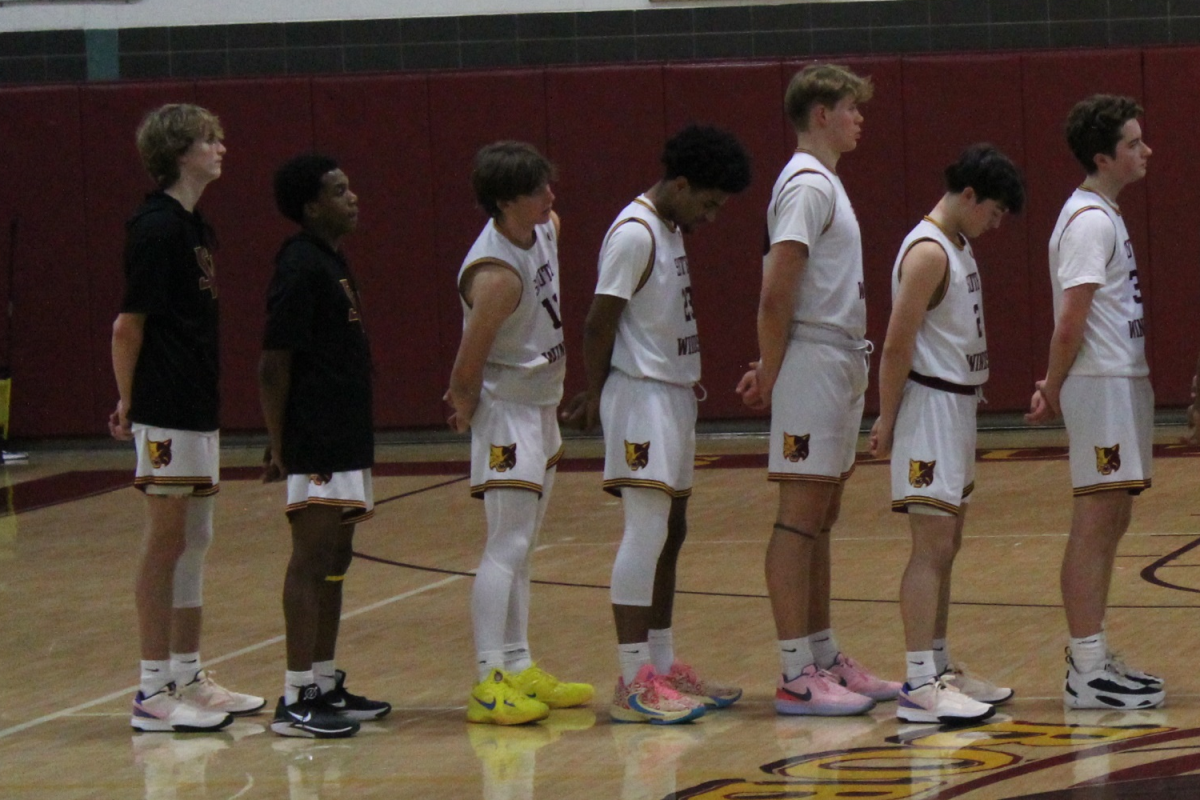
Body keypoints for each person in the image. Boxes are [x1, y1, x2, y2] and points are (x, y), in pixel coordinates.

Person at [562, 125, 752, 724]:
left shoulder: (668, 227)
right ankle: (631, 681)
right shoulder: (635, 232)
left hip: (671, 394)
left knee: (673, 530)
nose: (713, 216)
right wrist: (595, 395)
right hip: (639, 395)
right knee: (645, 531)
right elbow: (598, 322)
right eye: (709, 202)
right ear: (680, 183)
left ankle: (663, 667)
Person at [735, 64, 900, 716]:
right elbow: (778, 288)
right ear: (823, 113)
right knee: (797, 519)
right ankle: (794, 672)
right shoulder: (805, 184)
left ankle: (824, 655)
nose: (861, 118)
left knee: (822, 518)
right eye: (852, 107)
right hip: (810, 361)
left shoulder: (824, 183)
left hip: (835, 360)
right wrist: (773, 368)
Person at [111, 103, 264, 733]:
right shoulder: (155, 229)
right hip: (165, 407)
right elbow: (127, 326)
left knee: (195, 541)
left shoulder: (196, 227)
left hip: (197, 407)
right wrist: (129, 402)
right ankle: (151, 690)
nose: (221, 147)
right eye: (210, 139)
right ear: (180, 152)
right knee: (166, 538)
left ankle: (187, 673)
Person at [870, 144, 1025, 724]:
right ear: (967, 196)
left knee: (948, 546)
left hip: (957, 408)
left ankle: (936, 664)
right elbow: (895, 343)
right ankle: (916, 683)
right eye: (994, 211)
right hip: (929, 407)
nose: (996, 222)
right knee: (930, 547)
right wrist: (886, 417)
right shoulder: (929, 252)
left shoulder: (956, 245)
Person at [445, 141, 593, 726]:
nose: (551, 197)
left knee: (525, 545)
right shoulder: (497, 276)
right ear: (506, 202)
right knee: (505, 544)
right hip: (507, 409)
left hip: (541, 406)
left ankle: (519, 662)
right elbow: (465, 367)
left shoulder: (545, 228)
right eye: (537, 189)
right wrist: (465, 407)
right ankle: (487, 680)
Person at [1026, 95, 1165, 710]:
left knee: (1112, 520)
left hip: (1120, 378)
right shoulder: (1088, 220)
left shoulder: (1105, 213)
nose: (1146, 151)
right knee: (1094, 520)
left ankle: (1096, 654)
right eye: (1133, 143)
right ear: (1103, 156)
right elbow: (1070, 321)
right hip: (1099, 383)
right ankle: (1085, 667)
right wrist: (1052, 385)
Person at [260, 153, 392, 738]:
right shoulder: (298, 265)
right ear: (312, 206)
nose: (354, 197)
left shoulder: (329, 260)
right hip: (314, 437)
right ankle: (295, 698)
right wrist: (280, 440)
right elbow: (273, 364)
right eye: (340, 190)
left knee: (336, 563)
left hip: (344, 435)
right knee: (311, 561)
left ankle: (322, 679)